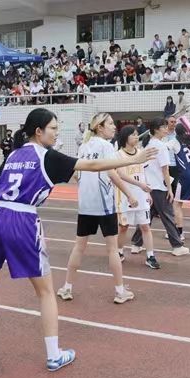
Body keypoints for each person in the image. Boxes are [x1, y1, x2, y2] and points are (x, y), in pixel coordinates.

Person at [0, 108, 156, 371]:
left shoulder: (13, 155)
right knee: (45, 291)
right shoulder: (47, 156)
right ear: (38, 131)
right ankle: (54, 355)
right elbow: (92, 166)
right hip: (22, 219)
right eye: (53, 128)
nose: (56, 133)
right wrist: (132, 159)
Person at [57, 113, 143, 304]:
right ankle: (120, 291)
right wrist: (130, 194)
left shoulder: (84, 147)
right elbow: (112, 173)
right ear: (100, 127)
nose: (114, 127)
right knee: (112, 250)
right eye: (110, 124)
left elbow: (76, 175)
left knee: (79, 247)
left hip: (85, 205)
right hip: (104, 205)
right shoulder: (106, 146)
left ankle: (67, 287)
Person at [131, 117, 190, 256]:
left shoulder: (148, 144)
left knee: (147, 217)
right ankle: (177, 246)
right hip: (158, 186)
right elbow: (165, 169)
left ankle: (136, 244)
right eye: (163, 127)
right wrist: (169, 189)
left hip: (148, 186)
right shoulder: (161, 146)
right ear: (156, 129)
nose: (166, 129)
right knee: (168, 216)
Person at [114, 125, 161, 269]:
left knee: (145, 226)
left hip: (141, 195)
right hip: (124, 195)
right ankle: (119, 251)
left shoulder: (140, 153)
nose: (136, 137)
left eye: (136, 134)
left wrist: (147, 192)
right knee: (124, 227)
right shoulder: (118, 155)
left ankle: (150, 256)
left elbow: (143, 173)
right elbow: (121, 175)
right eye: (133, 135)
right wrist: (140, 185)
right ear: (125, 137)